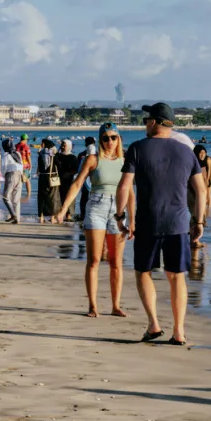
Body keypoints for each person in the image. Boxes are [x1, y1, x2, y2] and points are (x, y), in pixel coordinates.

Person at [115, 102, 205, 345]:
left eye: (146, 120)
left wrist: (120, 216)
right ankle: (179, 331)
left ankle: (154, 324)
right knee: (177, 276)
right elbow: (201, 189)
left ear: (154, 122)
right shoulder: (187, 151)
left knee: (143, 271)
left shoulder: (137, 148)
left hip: (148, 222)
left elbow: (124, 186)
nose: (145, 124)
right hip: (178, 223)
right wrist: (199, 220)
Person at [56, 122, 130, 318]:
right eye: (105, 138)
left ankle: (116, 305)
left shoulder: (125, 161)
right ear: (100, 140)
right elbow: (78, 183)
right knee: (94, 260)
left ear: (119, 139)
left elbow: (130, 192)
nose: (110, 141)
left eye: (113, 137)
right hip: (96, 206)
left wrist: (134, 219)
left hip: (118, 210)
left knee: (116, 262)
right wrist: (64, 209)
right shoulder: (92, 159)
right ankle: (93, 306)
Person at [189, 145, 211, 244]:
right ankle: (194, 240)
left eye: (204, 152)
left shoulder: (206, 163)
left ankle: (194, 238)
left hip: (201, 194)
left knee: (200, 217)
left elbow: (208, 178)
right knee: (195, 215)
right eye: (200, 153)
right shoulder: (192, 164)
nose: (202, 154)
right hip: (192, 193)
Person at [37, 139, 62, 223]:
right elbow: (59, 165)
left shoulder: (40, 154)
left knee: (41, 197)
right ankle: (52, 218)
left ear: (44, 144)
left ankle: (41, 217)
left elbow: (40, 167)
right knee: (52, 197)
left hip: (42, 177)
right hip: (52, 177)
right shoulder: (52, 155)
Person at [55, 139, 79, 222]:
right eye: (61, 145)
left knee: (68, 197)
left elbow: (76, 169)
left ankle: (68, 215)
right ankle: (59, 214)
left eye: (64, 145)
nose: (62, 147)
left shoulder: (73, 157)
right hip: (58, 180)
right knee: (59, 197)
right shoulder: (58, 156)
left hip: (68, 180)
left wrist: (68, 174)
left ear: (69, 146)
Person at [1, 140, 24, 224]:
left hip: (11, 175)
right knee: (16, 199)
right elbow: (21, 165)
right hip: (20, 175)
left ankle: (13, 215)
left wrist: (4, 176)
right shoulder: (17, 153)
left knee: (6, 197)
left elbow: (3, 168)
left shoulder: (6, 155)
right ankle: (16, 219)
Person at [76, 137, 97, 221]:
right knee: (92, 198)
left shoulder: (81, 154)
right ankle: (89, 215)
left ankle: (83, 215)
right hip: (92, 180)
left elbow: (78, 168)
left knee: (84, 198)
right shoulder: (98, 155)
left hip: (84, 179)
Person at [16, 133, 33, 198]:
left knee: (18, 180)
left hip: (17, 165)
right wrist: (30, 164)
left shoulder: (16, 145)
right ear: (25, 139)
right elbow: (28, 156)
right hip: (25, 165)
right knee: (27, 180)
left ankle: (18, 193)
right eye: (27, 139)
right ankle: (28, 194)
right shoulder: (26, 146)